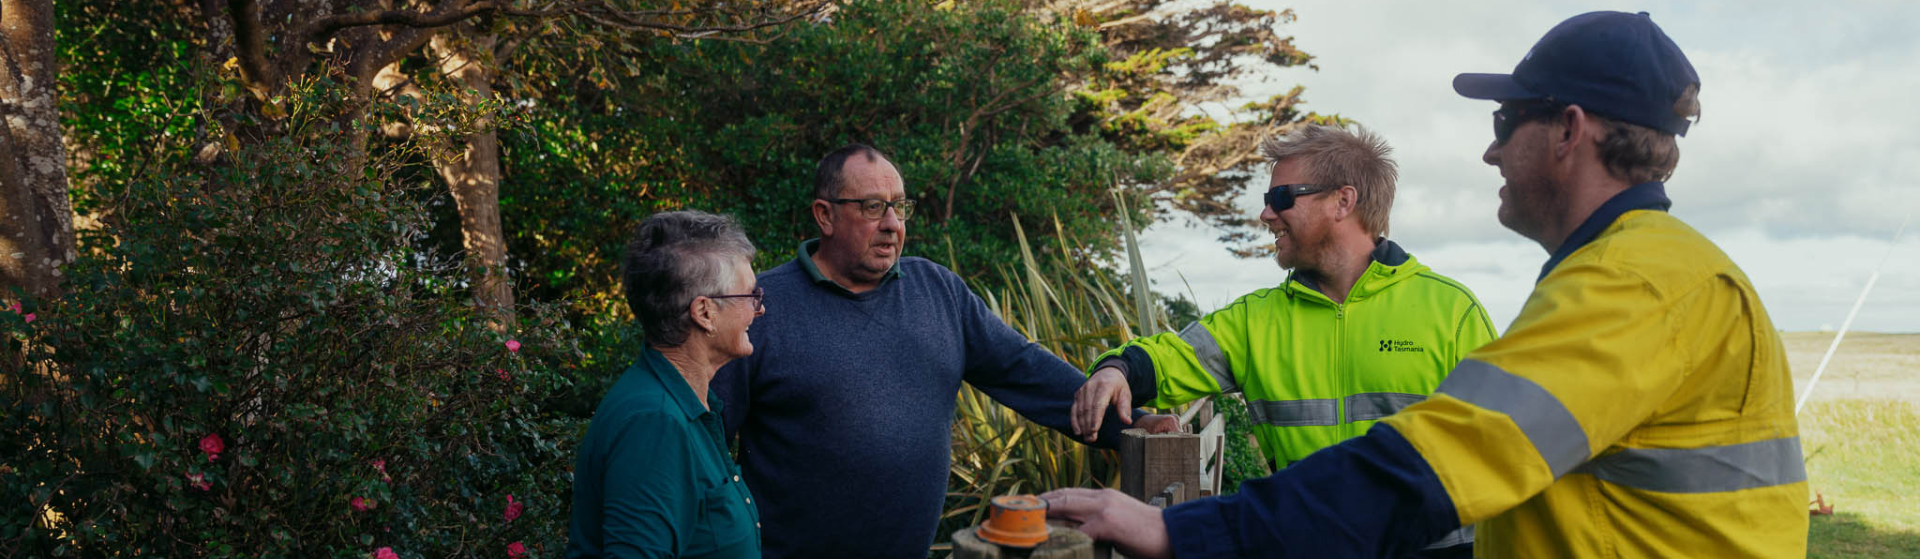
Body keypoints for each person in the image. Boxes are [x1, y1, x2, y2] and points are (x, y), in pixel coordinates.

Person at [1041, 11, 1807, 559]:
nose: (1490, 151)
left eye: (1508, 121)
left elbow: (1438, 462)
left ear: (1571, 130)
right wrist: (1120, 366)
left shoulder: (1636, 283)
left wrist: (1180, 531)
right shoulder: (1637, 270)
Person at [1069, 124, 1497, 558]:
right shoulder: (1256, 319)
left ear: (1342, 201)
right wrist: (1117, 369)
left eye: (1281, 198)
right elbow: (1170, 357)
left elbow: (1495, 455)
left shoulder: (1453, 312)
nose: (1266, 215)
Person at [712, 144, 1152, 558]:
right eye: (872, 207)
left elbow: (1025, 372)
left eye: (899, 206)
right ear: (824, 216)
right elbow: (703, 444)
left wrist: (1135, 427)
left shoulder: (937, 291)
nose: (892, 224)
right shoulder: (760, 308)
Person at [567, 211, 767, 559]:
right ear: (705, 313)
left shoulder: (685, 405)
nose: (759, 309)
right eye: (749, 296)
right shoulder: (654, 422)